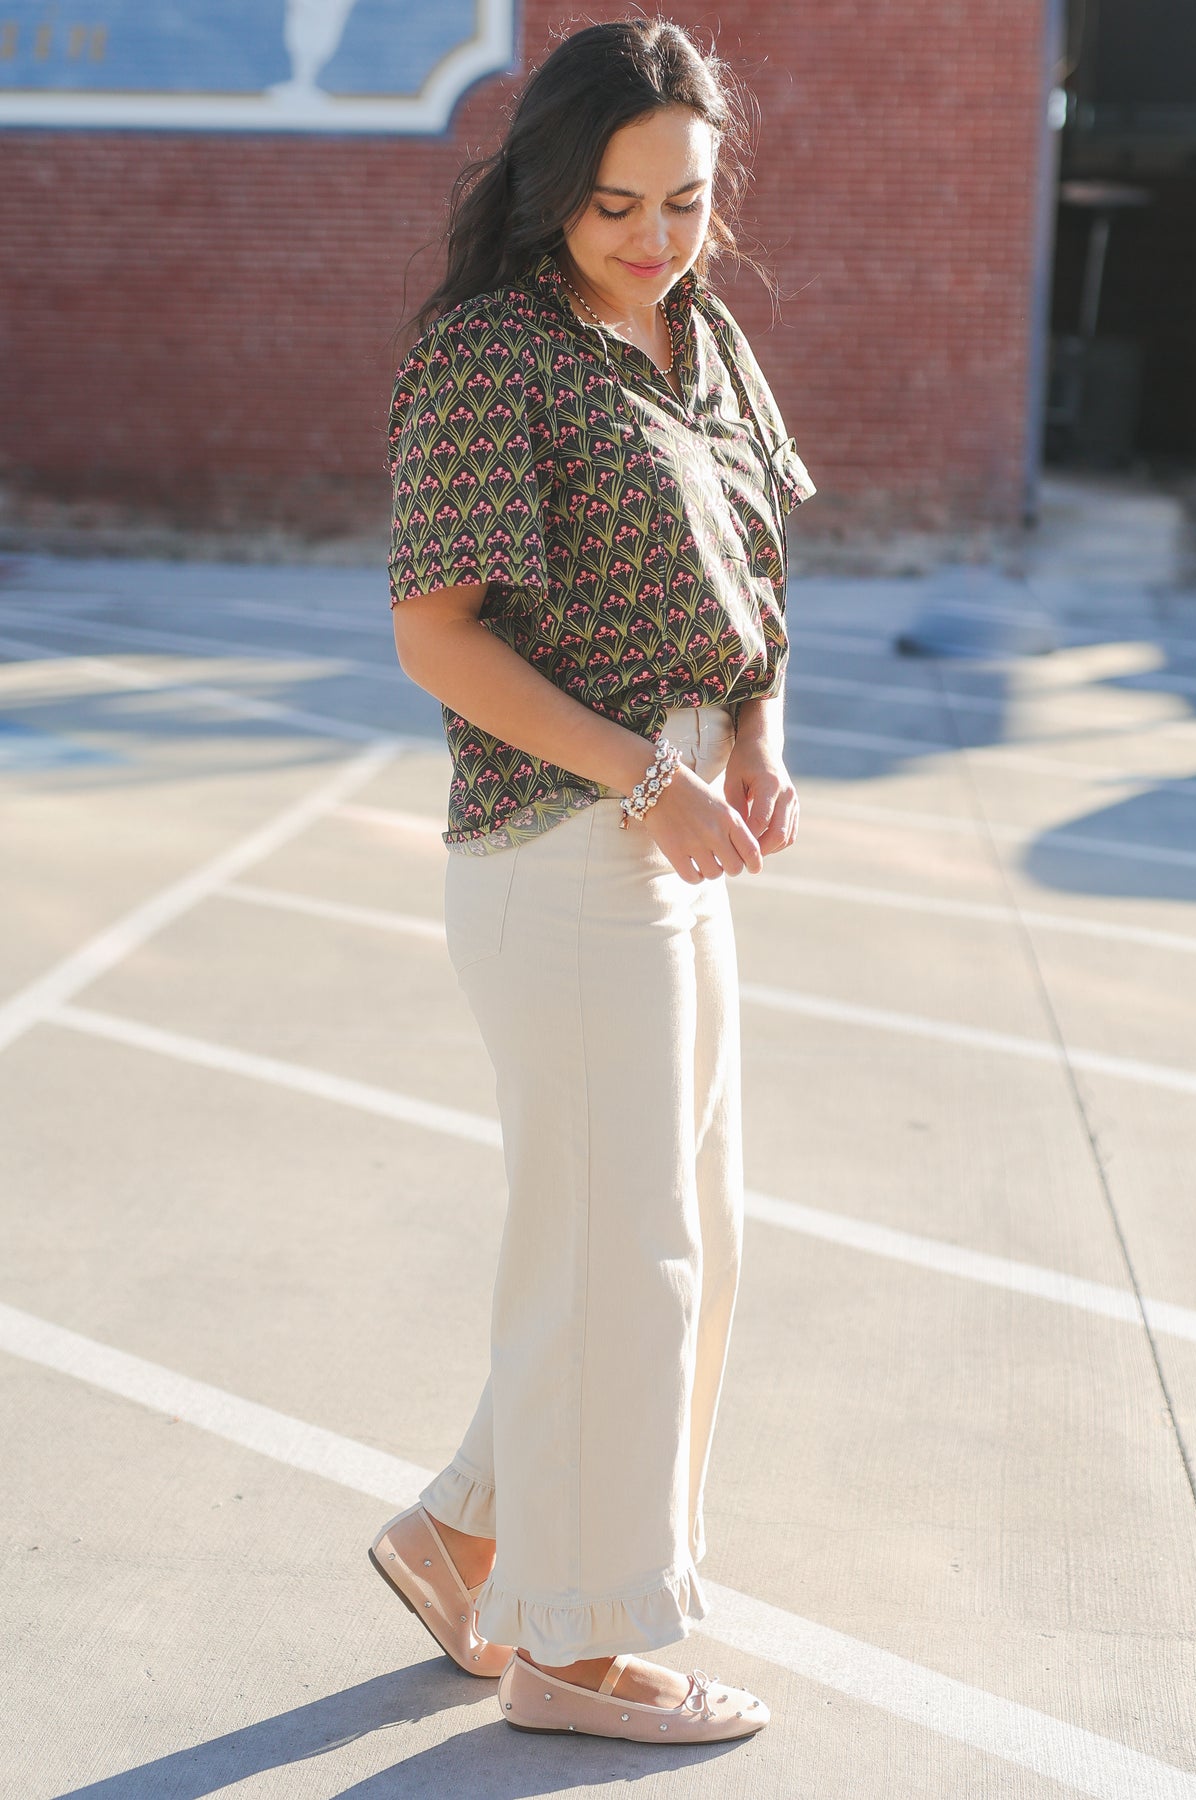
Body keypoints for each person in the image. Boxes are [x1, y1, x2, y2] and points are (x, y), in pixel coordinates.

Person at [368, 16, 814, 1746]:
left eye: (686, 200)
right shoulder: (492, 355)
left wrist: (760, 732)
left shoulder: (694, 337)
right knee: (628, 1254)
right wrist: (651, 772)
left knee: (663, 1236)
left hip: (683, 823)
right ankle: (580, 1651)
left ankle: (465, 1534)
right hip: (566, 852)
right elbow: (434, 642)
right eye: (617, 202)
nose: (652, 235)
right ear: (553, 183)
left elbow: (768, 557)